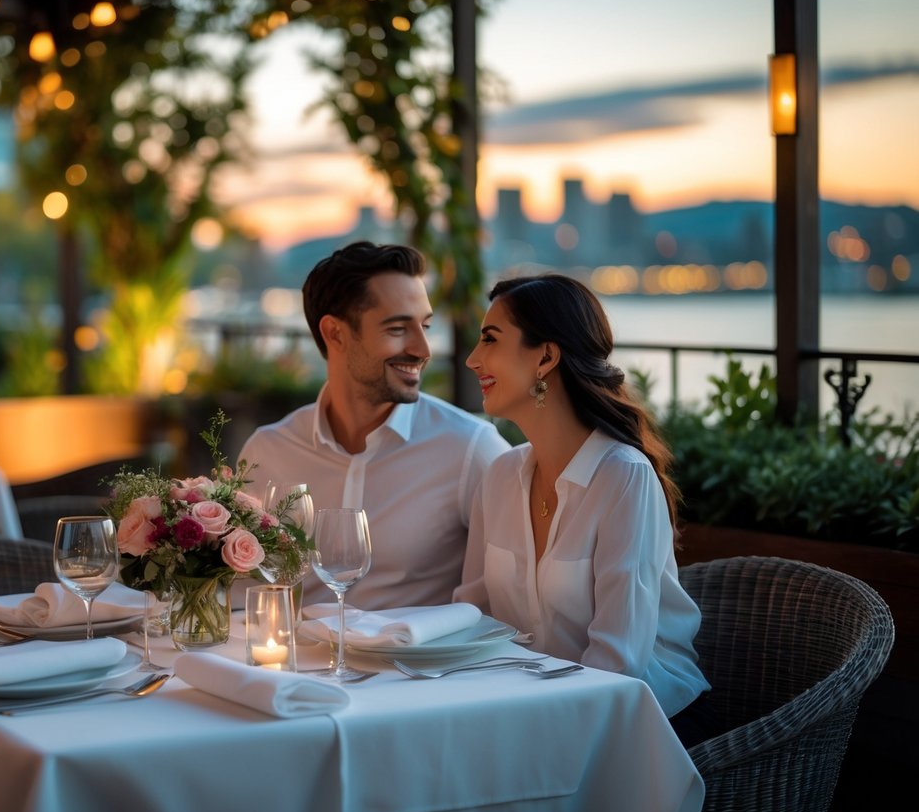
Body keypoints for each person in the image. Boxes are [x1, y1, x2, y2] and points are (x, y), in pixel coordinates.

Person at [453, 274, 712, 743]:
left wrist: (527, 727)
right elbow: (472, 617)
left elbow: (618, 662)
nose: (473, 358)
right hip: (526, 709)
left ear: (545, 358)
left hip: (643, 724)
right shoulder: (499, 476)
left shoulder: (624, 477)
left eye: (490, 339)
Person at [238, 241, 509, 610]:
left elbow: (503, 607)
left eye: (425, 326)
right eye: (398, 329)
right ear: (335, 333)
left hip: (420, 651)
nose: (423, 349)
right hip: (296, 649)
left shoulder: (471, 448)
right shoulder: (267, 452)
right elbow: (241, 596)